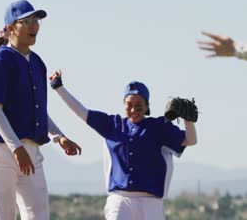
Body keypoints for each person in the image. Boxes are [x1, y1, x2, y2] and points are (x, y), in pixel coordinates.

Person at [0, 0, 82, 220]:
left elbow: (38, 111)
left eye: (36, 21)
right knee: (2, 216)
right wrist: (16, 148)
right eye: (26, 21)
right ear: (11, 28)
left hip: (31, 149)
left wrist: (58, 136)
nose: (34, 25)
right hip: (1, 150)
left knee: (38, 215)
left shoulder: (37, 63)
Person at [49, 71, 198, 220]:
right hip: (119, 200)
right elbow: (82, 112)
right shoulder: (112, 125)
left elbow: (190, 141)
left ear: (147, 106)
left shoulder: (158, 126)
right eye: (129, 105)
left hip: (151, 203)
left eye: (139, 106)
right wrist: (59, 87)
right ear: (123, 105)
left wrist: (188, 120)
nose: (133, 110)